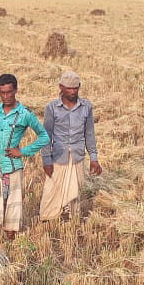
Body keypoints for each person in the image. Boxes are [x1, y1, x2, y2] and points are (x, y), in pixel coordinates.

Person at [0, 74, 49, 240]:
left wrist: (22, 152)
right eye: (2, 93)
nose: (6, 96)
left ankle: (10, 239)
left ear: (15, 90)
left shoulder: (25, 114)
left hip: (13, 166)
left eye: (9, 92)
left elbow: (44, 137)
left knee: (13, 204)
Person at [39, 71, 102, 222]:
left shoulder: (86, 107)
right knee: (51, 190)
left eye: (75, 88)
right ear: (61, 87)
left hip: (77, 156)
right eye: (69, 88)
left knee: (75, 192)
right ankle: (48, 217)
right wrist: (46, 160)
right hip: (58, 157)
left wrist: (94, 158)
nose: (72, 92)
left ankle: (70, 218)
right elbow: (46, 136)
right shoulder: (52, 108)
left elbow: (89, 134)